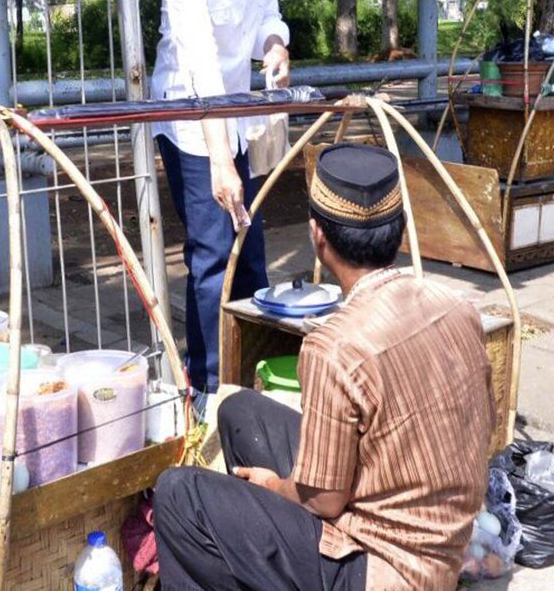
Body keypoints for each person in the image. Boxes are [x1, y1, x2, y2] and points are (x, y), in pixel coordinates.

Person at [154, 142, 496, 591]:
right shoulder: (457, 307)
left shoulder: (333, 346)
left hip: (384, 570)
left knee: (179, 494)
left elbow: (325, 501)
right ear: (402, 229)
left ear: (318, 236)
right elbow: (483, 424)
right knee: (241, 412)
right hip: (441, 541)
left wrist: (274, 487)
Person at [151, 0, 290, 401]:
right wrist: (219, 162)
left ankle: (252, 371)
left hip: (235, 113)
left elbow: (266, 15)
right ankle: (206, 389)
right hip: (191, 122)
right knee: (213, 256)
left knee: (249, 247)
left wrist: (275, 44)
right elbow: (201, 69)